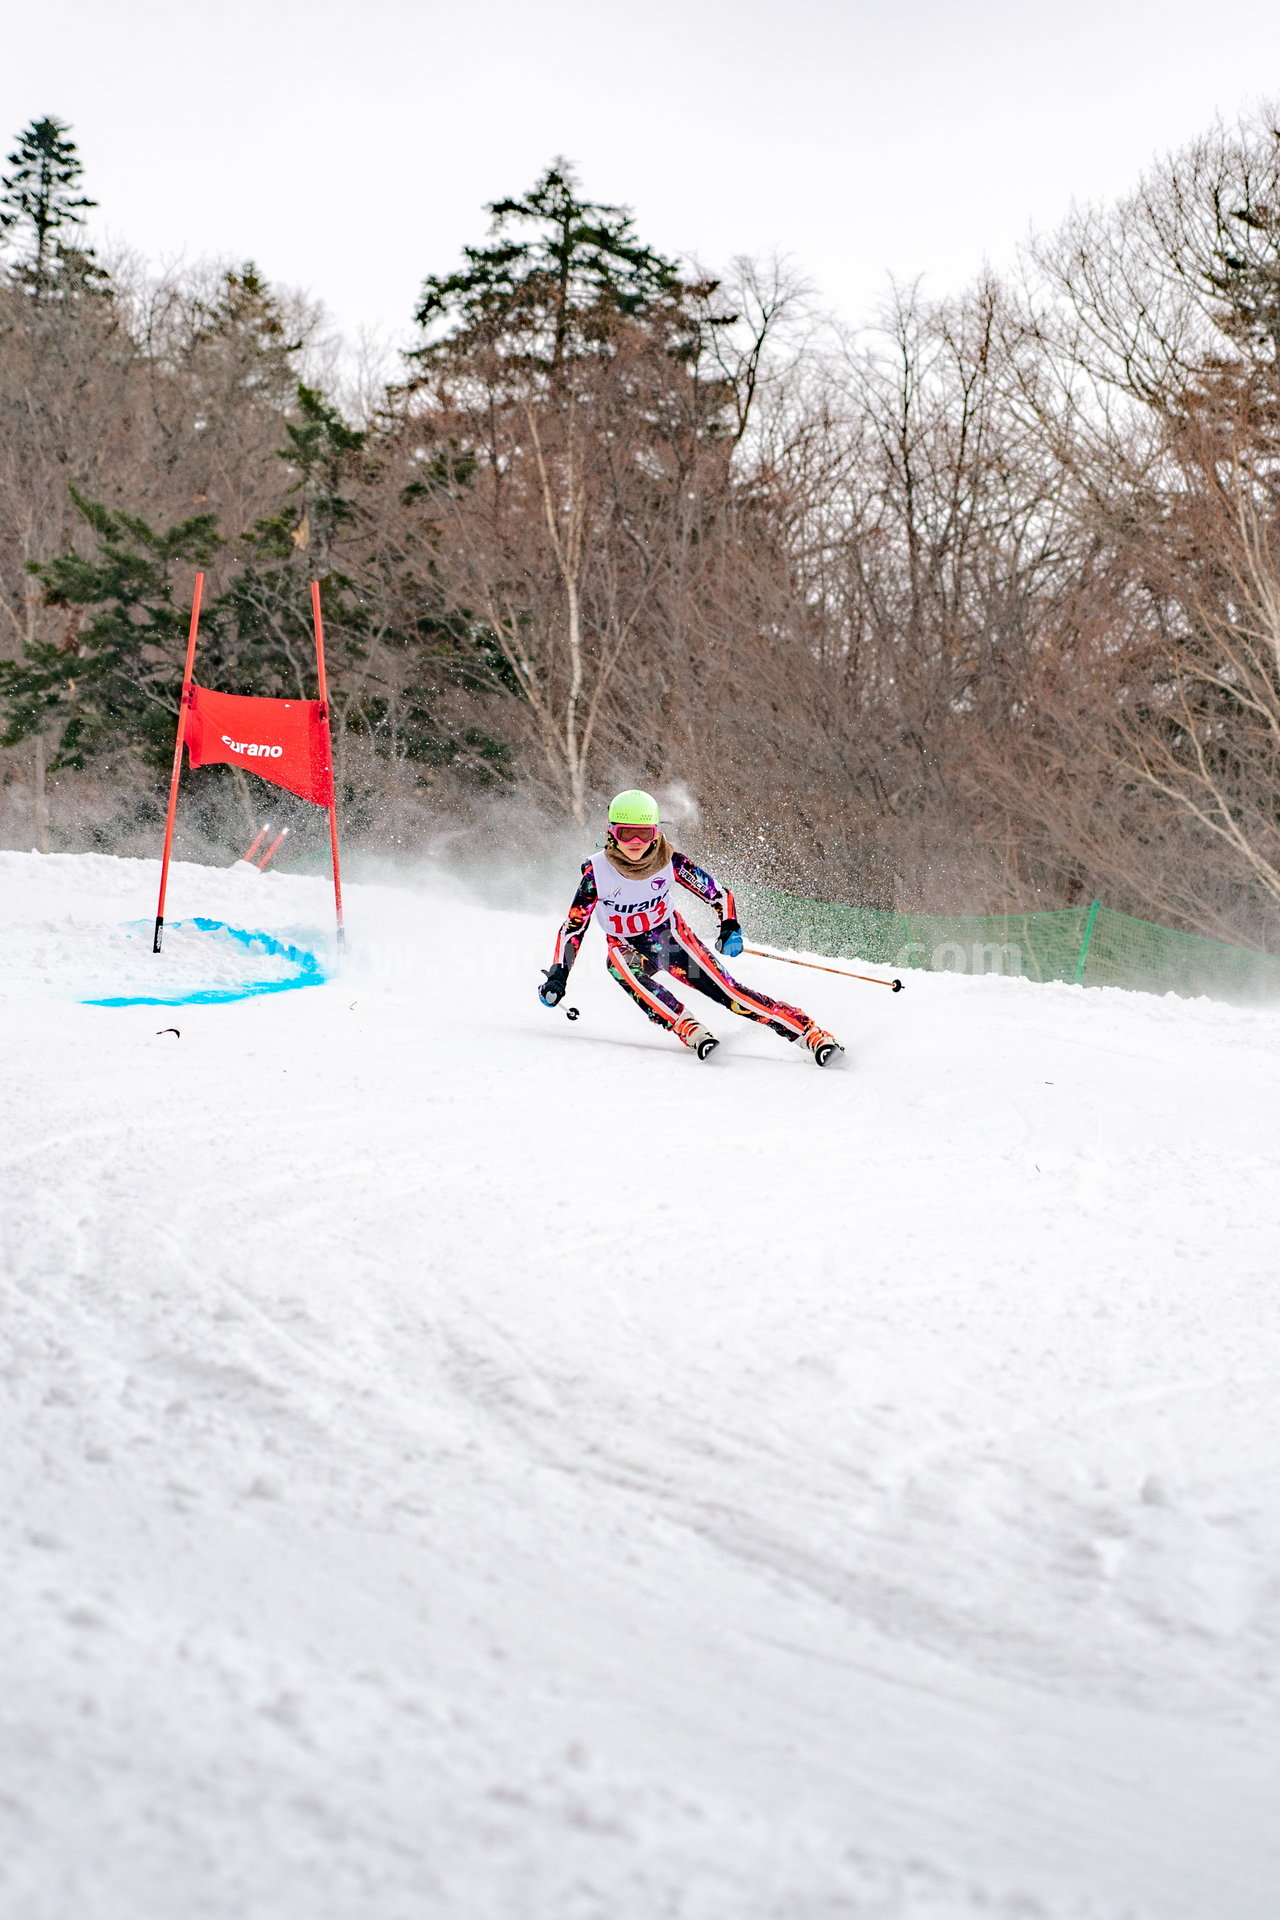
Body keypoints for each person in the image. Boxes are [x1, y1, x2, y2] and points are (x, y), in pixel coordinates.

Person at [539, 789, 844, 1065]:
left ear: (656, 833)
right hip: (625, 943)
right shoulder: (597, 873)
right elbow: (574, 926)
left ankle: (809, 1034)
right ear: (611, 832)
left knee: (730, 995)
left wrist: (729, 927)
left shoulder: (670, 862)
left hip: (669, 940)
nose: (635, 843)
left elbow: (719, 895)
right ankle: (687, 1027)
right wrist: (559, 973)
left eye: (644, 834)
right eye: (625, 833)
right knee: (619, 965)